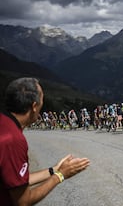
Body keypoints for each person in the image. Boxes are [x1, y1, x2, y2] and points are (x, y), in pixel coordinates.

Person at [0, 77, 90, 206]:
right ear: (34, 106)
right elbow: (23, 201)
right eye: (42, 99)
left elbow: (16, 181)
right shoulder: (13, 140)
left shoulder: (4, 123)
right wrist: (60, 175)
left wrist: (54, 170)